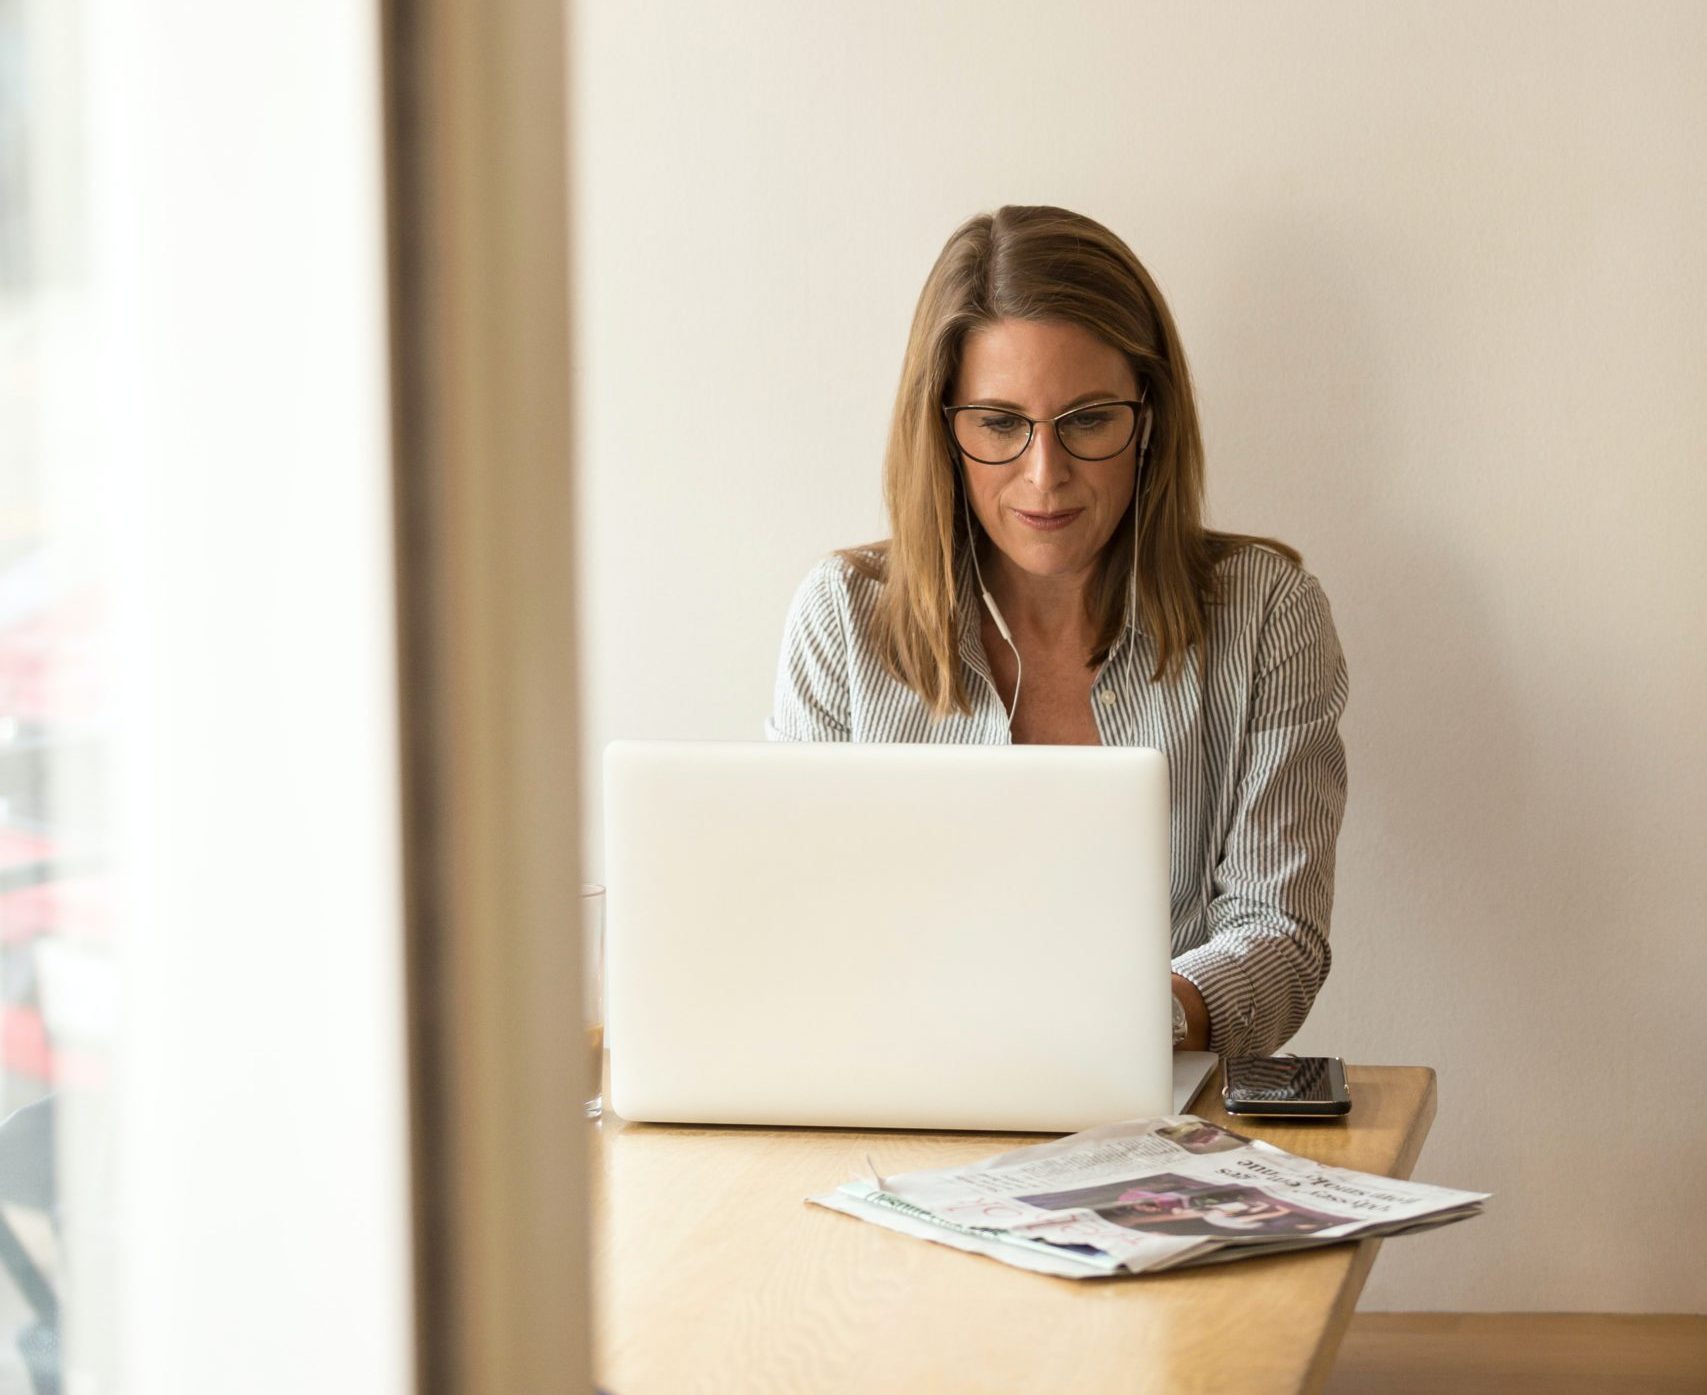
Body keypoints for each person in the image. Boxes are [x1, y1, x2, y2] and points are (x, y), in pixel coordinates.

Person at [765, 205, 1348, 1058]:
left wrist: (1120, 1025)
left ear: (1147, 418)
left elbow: (1279, 935)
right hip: (896, 1104)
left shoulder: (1266, 614)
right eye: (999, 424)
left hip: (1161, 1120)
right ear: (943, 428)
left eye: (1087, 420)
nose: (1045, 476)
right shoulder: (842, 618)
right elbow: (795, 927)